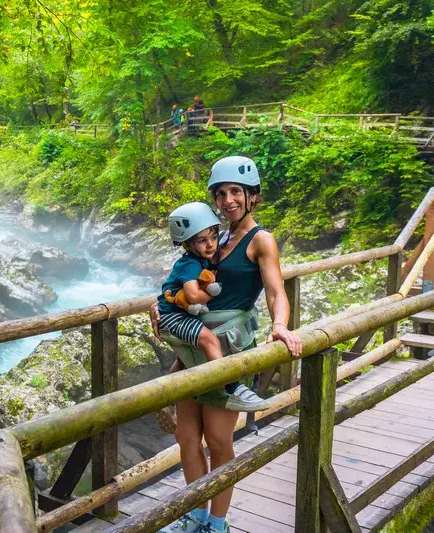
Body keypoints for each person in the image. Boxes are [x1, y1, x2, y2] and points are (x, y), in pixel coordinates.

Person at [149, 156, 302, 533]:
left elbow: (275, 291)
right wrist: (159, 304)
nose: (228, 199)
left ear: (253, 197)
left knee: (218, 440)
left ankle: (216, 523)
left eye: (236, 192)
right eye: (221, 193)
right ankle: (194, 515)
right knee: (187, 438)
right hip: (193, 348)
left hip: (228, 347)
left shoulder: (260, 239)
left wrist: (280, 325)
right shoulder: (212, 236)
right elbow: (185, 283)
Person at [157, 202, 269, 413]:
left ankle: (166, 399)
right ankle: (230, 386)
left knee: (184, 359)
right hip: (174, 316)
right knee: (208, 340)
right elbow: (191, 295)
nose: (210, 245)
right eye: (202, 240)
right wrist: (212, 292)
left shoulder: (201, 259)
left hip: (174, 313)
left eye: (214, 237)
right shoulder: (190, 264)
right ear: (187, 244)